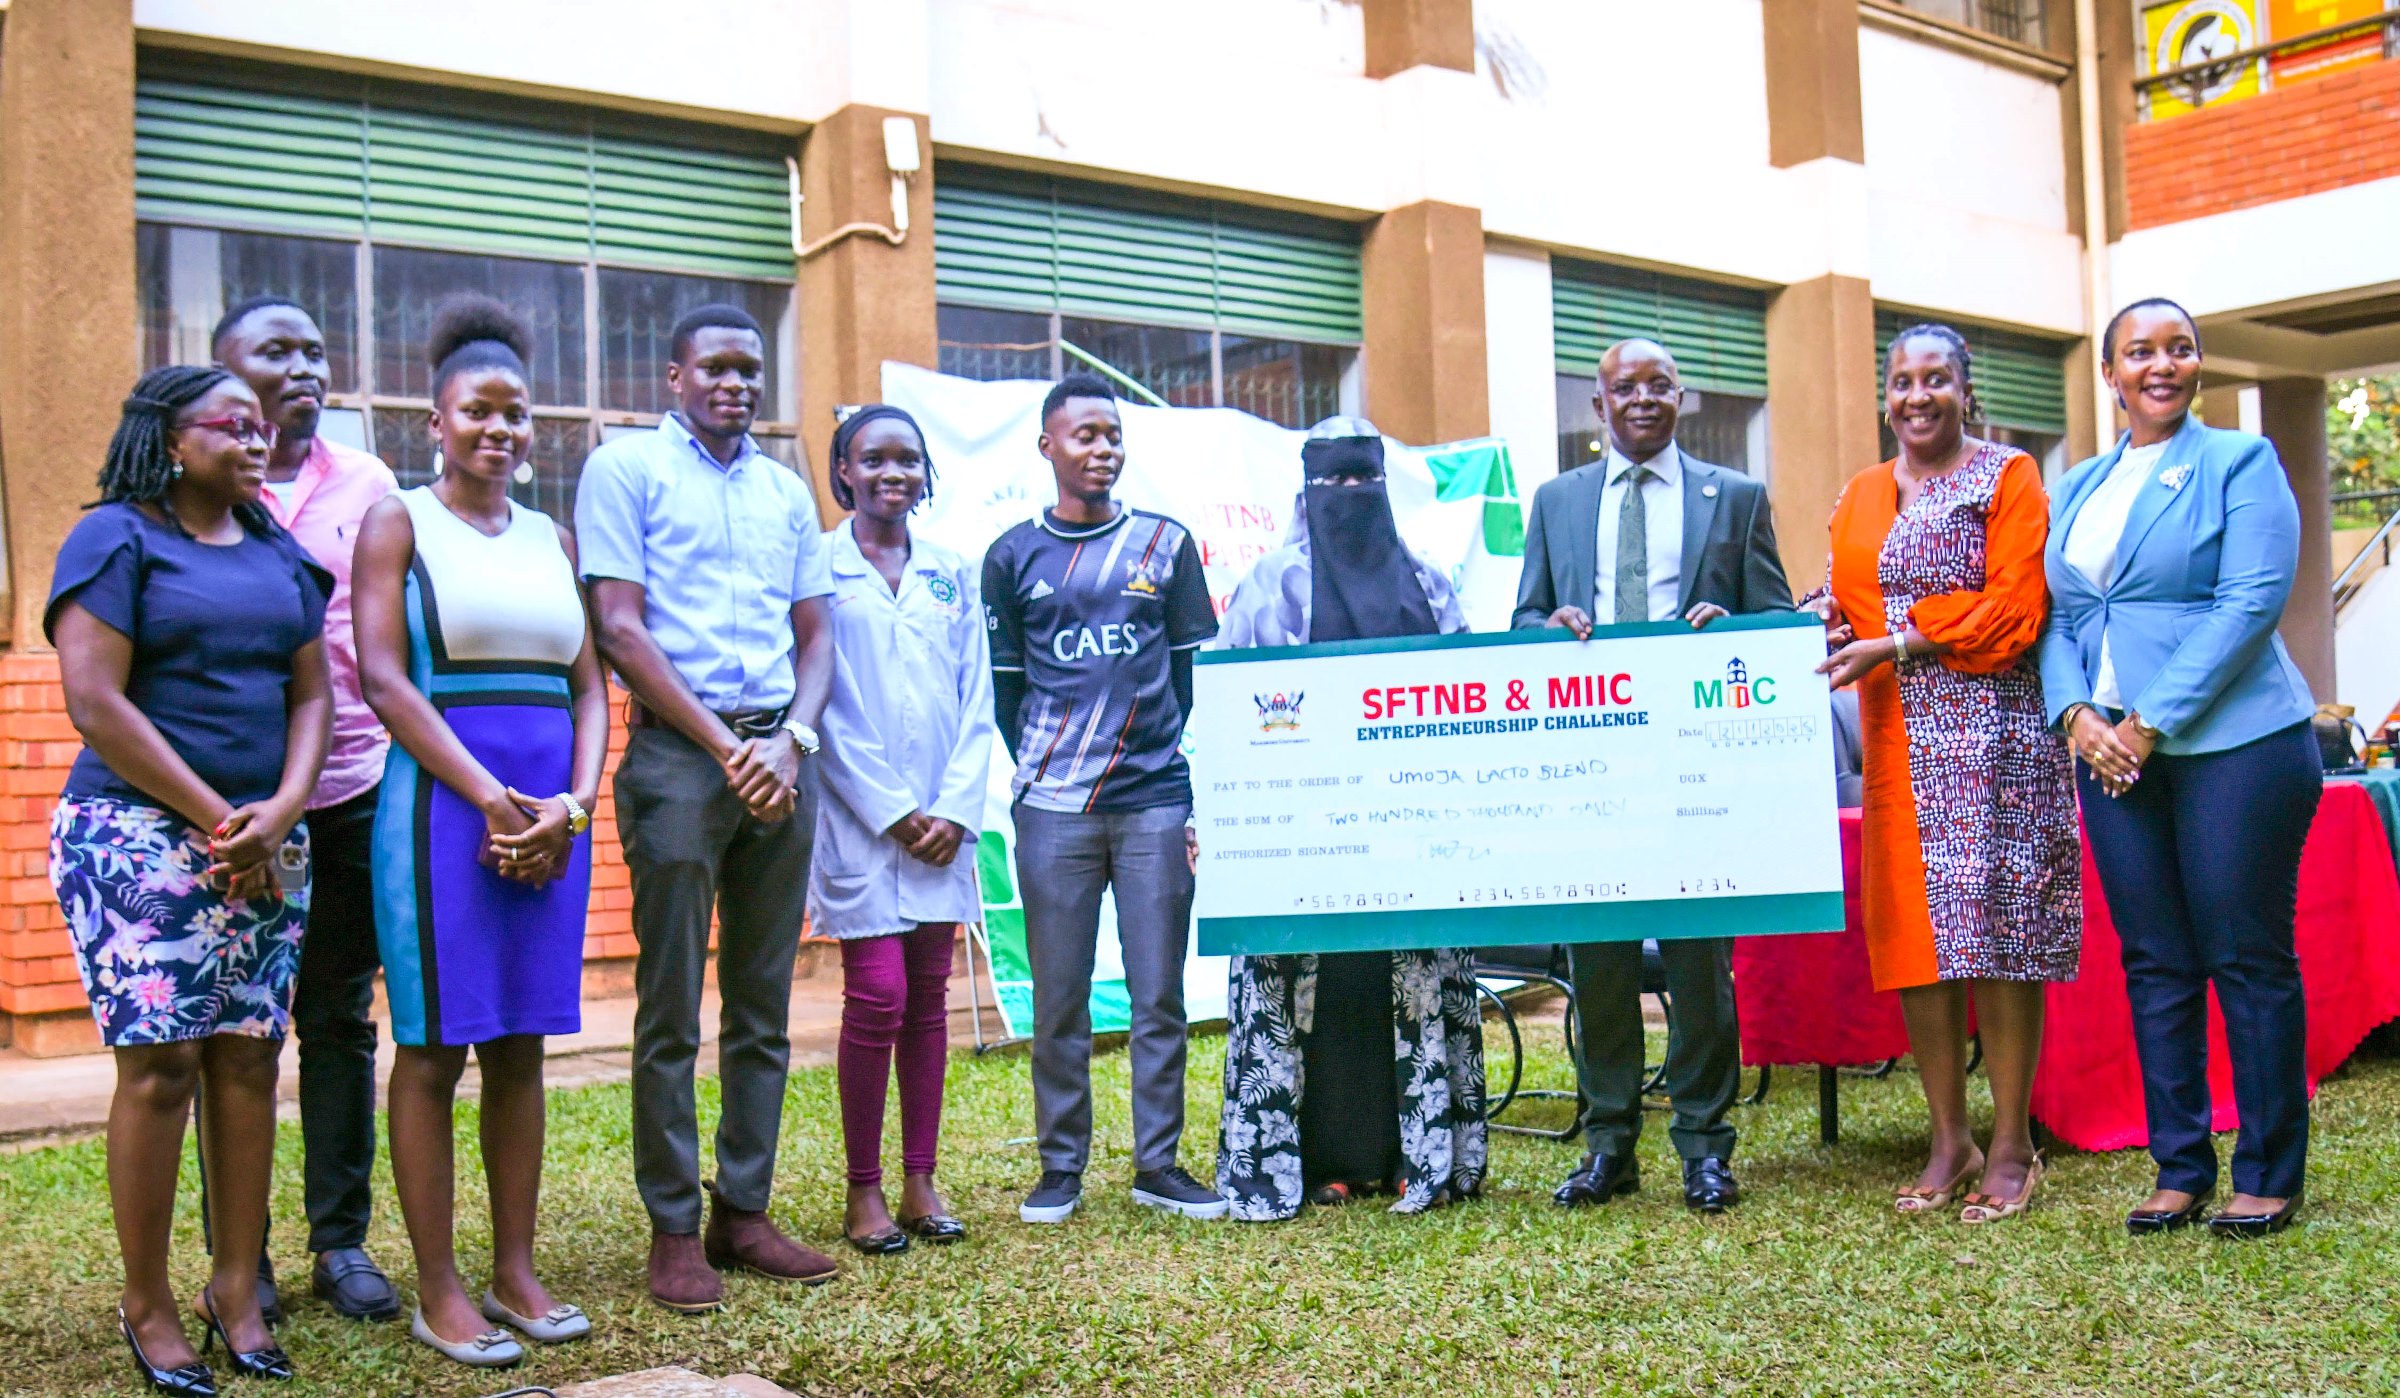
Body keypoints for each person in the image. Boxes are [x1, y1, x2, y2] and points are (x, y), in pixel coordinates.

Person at [50, 364, 334, 1393]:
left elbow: (313, 700)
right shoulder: (115, 537)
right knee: (162, 1069)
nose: (258, 440)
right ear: (171, 436)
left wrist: (286, 807)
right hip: (135, 838)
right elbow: (95, 700)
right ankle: (149, 1302)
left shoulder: (276, 551)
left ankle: (233, 1290)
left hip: (265, 843)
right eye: (234, 425)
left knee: (249, 1065)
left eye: (267, 428)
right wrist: (222, 815)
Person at [352, 298, 609, 1365]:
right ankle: (440, 1287)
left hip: (554, 818)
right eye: (478, 412)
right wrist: (492, 800)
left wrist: (572, 806)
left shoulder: (554, 536)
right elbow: (380, 676)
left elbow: (589, 687)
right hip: (440, 815)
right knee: (432, 1046)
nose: (500, 431)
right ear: (435, 422)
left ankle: (513, 1269)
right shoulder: (398, 522)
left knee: (519, 1047)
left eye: (517, 415)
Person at [576, 304, 839, 1310]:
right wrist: (729, 748)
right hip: (682, 762)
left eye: (750, 369)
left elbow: (815, 638)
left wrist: (790, 742)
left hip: (779, 756)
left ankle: (746, 1209)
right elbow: (618, 628)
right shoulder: (627, 471)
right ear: (675, 375)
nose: (735, 384)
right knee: (672, 1006)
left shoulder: (782, 491)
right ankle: (674, 1228)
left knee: (765, 1001)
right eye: (716, 368)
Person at [2039, 298, 2320, 1238]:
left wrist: (2146, 724)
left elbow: (2248, 604)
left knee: (2244, 956)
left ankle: (2269, 1170)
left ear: (2198, 366)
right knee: (2156, 962)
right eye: (2139, 352)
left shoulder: (2240, 463)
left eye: (2179, 349)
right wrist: (2077, 715)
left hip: (2234, 746)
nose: (2161, 365)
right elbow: (2061, 619)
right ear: (2110, 373)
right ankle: (2179, 1165)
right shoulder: (2079, 485)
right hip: (2111, 749)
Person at [1512, 338, 1793, 1214]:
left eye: (1658, 385)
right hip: (1593, 761)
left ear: (1684, 397)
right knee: (1596, 960)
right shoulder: (1556, 501)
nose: (1641, 399)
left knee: (1697, 963)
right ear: (1597, 407)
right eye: (1622, 388)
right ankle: (1607, 1145)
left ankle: (1707, 1145)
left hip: (1693, 767)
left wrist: (1735, 625)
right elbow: (1521, 618)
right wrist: (1548, 625)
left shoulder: (1734, 497)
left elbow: (1778, 617)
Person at [1816, 323, 2082, 1224]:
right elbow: (1837, 603)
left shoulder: (2007, 476)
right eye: (1901, 381)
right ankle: (1949, 1139)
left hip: (1994, 745)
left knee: (2000, 940)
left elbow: (2015, 608)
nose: (1916, 396)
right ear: (1885, 394)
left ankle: (2011, 1143)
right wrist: (1784, 629)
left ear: (1965, 391)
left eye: (1936, 380)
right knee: (1917, 951)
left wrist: (1900, 639)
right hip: (1895, 745)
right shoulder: (1859, 493)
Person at [1213, 418, 1487, 1221]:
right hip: (1301, 841)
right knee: (1315, 991)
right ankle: (1319, 1160)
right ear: (1306, 493)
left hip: (1412, 838)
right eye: (1330, 485)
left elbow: (1467, 692)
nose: (1348, 500)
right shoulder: (1272, 584)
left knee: (1402, 986)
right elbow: (1230, 709)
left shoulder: (1430, 585)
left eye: (1361, 482)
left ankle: (1412, 1156)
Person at [982, 373, 1227, 1225]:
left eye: (1113, 435)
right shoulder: (1013, 555)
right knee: (1061, 996)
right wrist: (1056, 769)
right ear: (1047, 446)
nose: (1102, 449)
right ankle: (1061, 1168)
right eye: (1083, 435)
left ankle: (1158, 1164)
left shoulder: (1167, 543)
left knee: (1160, 992)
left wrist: (1161, 767)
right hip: (1054, 811)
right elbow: (1009, 692)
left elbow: (1191, 677)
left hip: (1156, 801)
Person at [207, 295, 402, 1326]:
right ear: (222, 370)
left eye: (316, 351)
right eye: (276, 350)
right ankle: (239, 1258)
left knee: (337, 1020)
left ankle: (340, 1243)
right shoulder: (189, 486)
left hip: (349, 794)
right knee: (234, 1030)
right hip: (234, 809)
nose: (304, 367)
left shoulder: (367, 484)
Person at [811, 405, 995, 1254]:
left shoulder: (952, 572)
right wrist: (893, 810)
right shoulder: (817, 566)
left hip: (943, 823)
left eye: (909, 461)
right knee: (877, 993)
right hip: (861, 819)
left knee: (928, 1001)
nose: (894, 474)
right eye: (873, 459)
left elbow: (977, 698)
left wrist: (954, 808)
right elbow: (822, 700)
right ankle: (864, 1189)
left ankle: (920, 1180)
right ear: (843, 471)